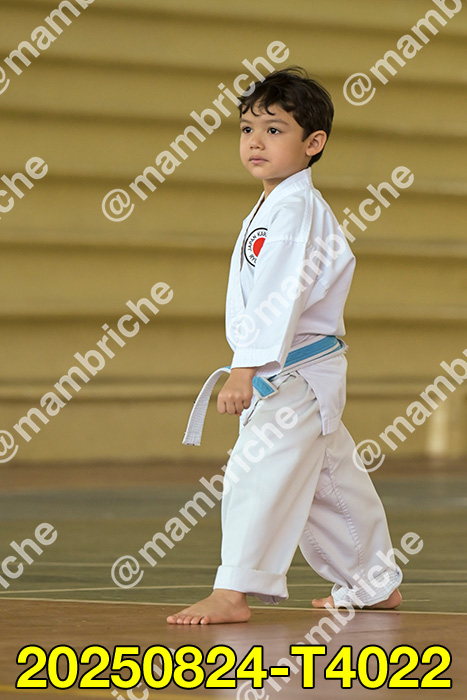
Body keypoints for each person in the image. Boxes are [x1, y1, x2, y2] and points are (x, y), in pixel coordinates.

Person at [167, 66, 402, 625]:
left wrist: (244, 369)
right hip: (306, 373)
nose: (255, 141)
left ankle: (234, 591)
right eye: (248, 129)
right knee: (331, 481)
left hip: (289, 370)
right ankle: (372, 583)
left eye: (274, 130)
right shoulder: (279, 204)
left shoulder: (294, 210)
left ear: (313, 143)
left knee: (257, 470)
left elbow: (279, 295)